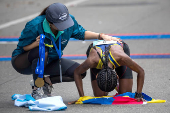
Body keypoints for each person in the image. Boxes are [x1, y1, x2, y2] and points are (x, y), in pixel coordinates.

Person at [11, 3, 121, 100]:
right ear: (50, 23)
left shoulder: (70, 21)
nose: (64, 27)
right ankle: (37, 89)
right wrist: (36, 44)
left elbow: (81, 33)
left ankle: (45, 82)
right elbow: (23, 47)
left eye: (65, 22)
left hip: (50, 61)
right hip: (23, 62)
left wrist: (101, 36)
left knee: (79, 72)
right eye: (60, 25)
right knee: (42, 50)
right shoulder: (34, 26)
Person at [68, 40, 145, 104]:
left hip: (118, 48)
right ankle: (112, 83)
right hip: (96, 50)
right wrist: (82, 98)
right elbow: (77, 73)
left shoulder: (123, 59)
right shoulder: (92, 61)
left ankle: (117, 84)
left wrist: (138, 94)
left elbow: (141, 71)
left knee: (125, 95)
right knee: (99, 96)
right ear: (97, 75)